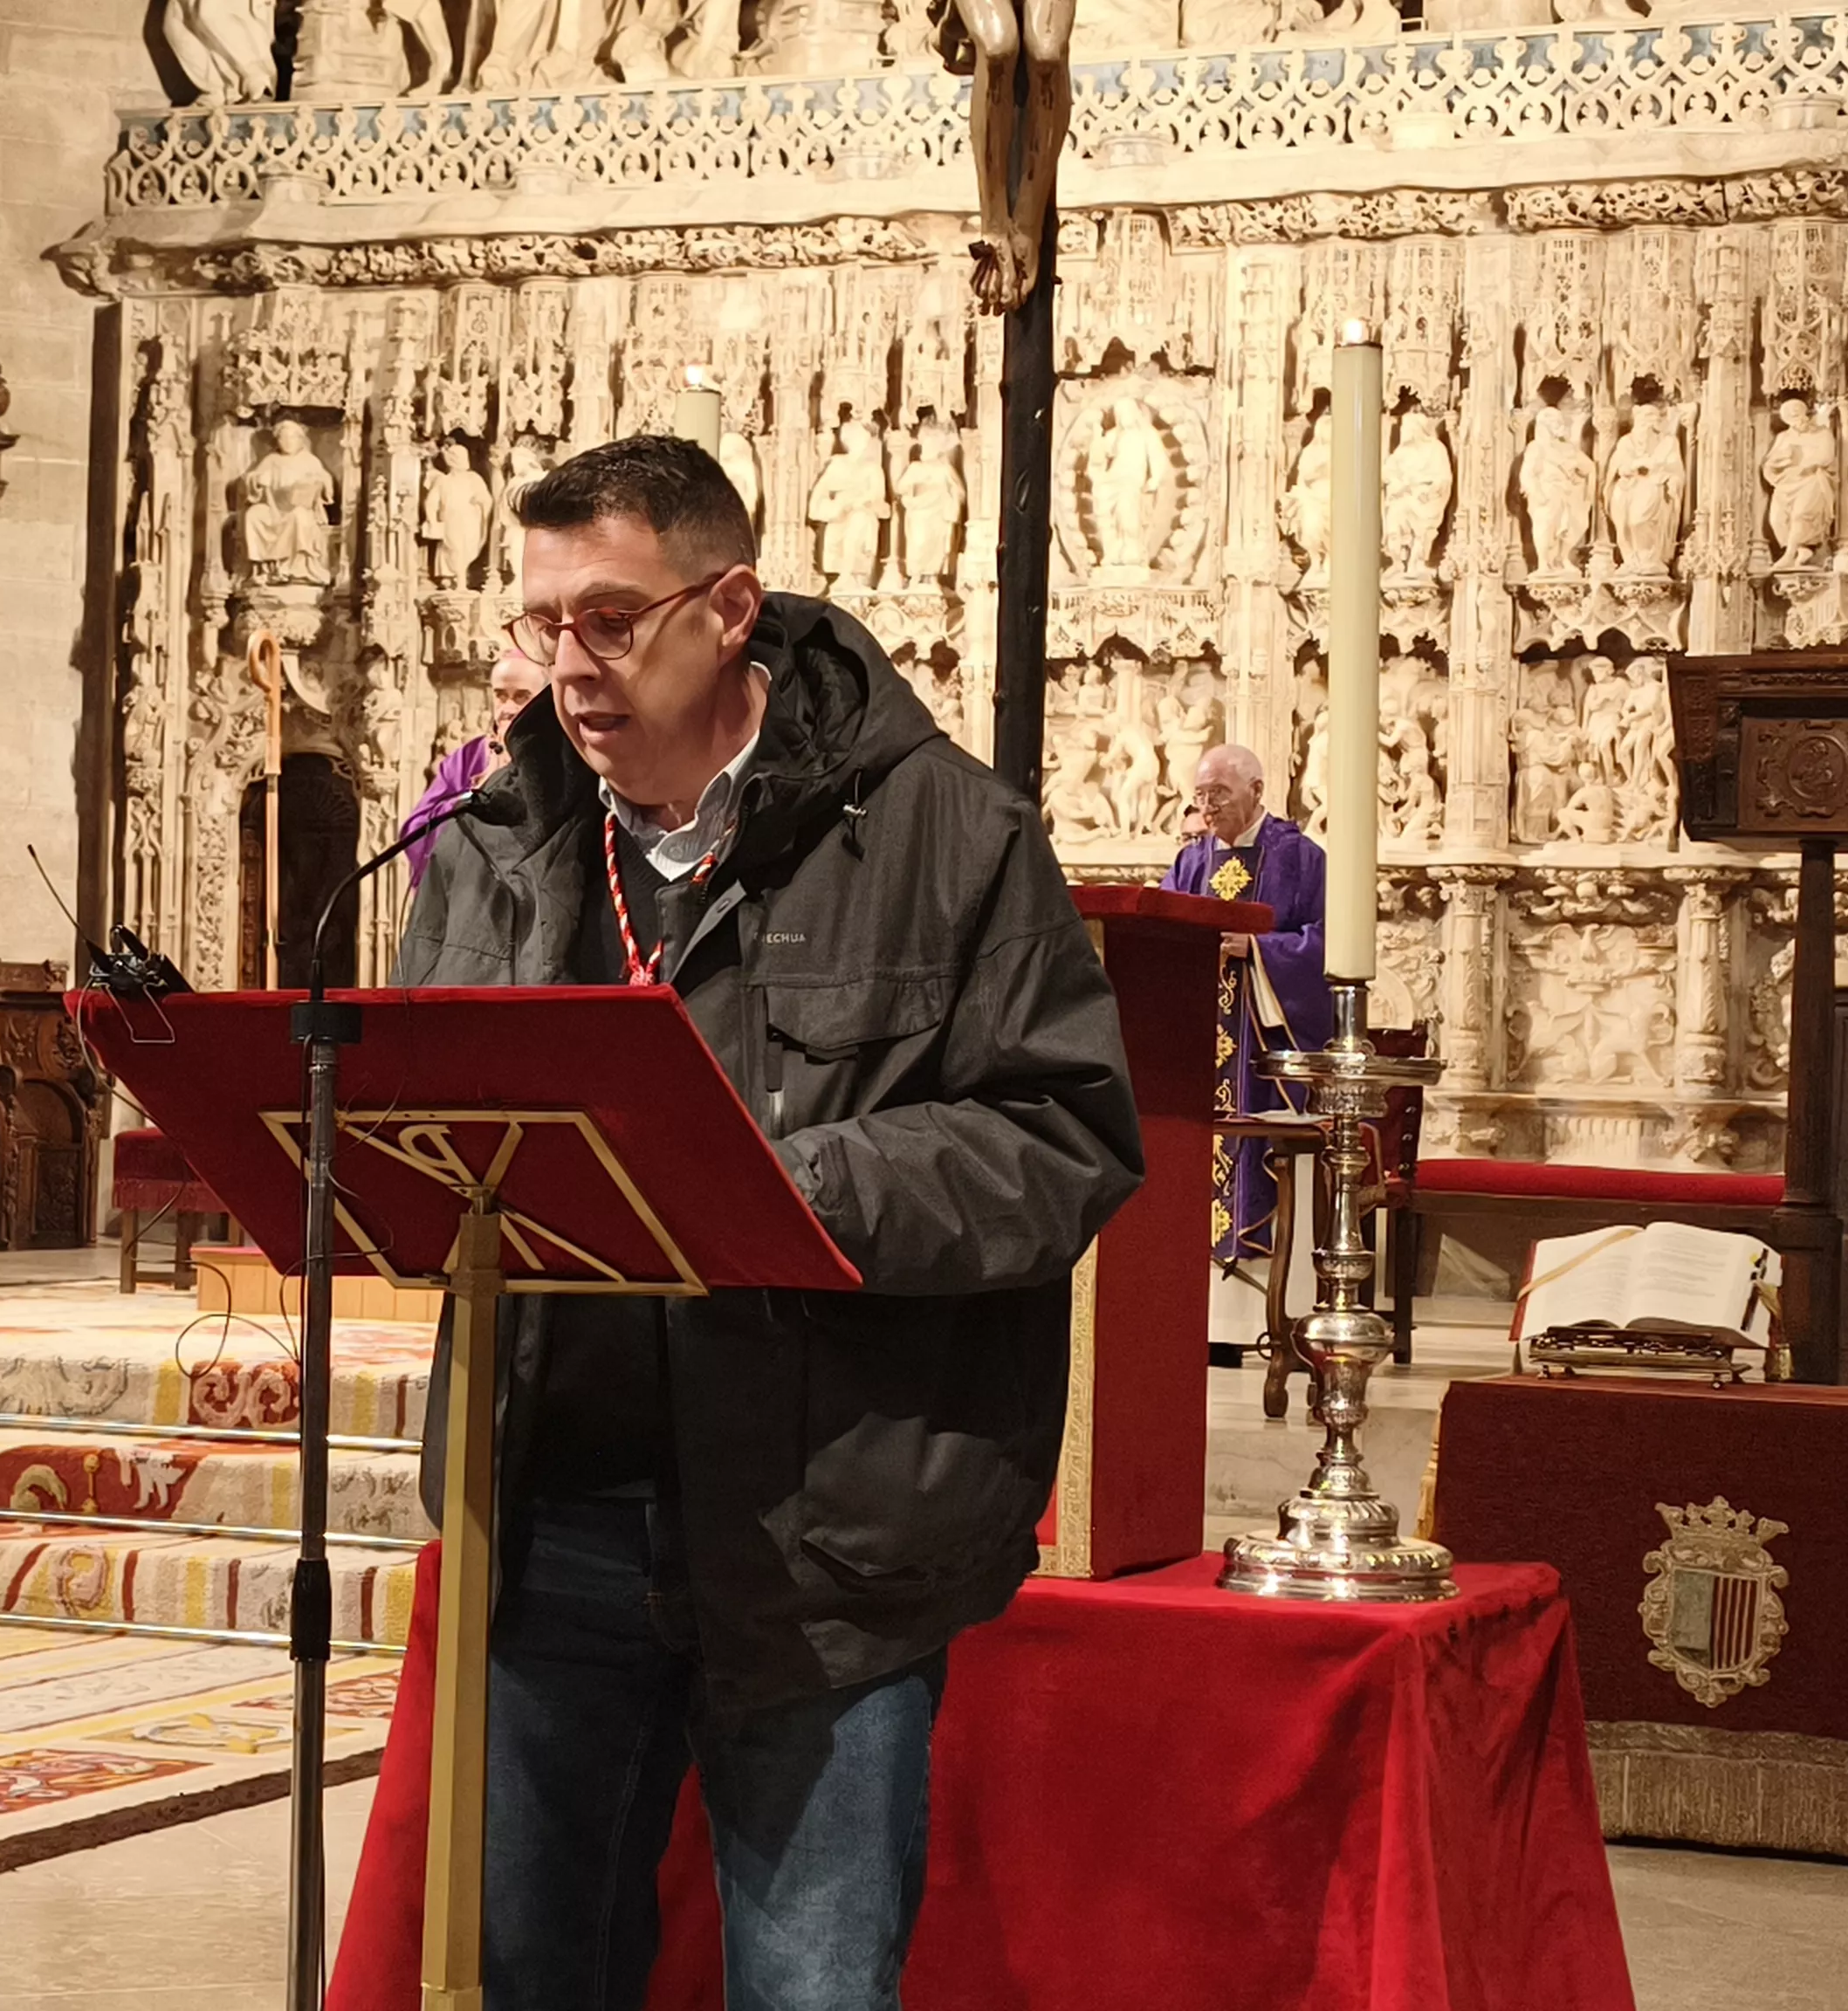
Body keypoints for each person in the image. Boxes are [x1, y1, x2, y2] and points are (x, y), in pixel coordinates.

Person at [403, 435, 1140, 2010]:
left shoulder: (945, 828)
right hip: (556, 1515)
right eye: (540, 622)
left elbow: (1062, 1138)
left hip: (825, 1525)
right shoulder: (495, 836)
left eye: (609, 618)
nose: (566, 664)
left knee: (811, 1983)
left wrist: (789, 1181)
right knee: (532, 1970)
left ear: (727, 605)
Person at [1162, 743, 1332, 1271]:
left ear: (1257, 791)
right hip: (1199, 1041)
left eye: (1220, 794)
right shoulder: (1192, 860)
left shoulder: (1301, 858)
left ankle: (1258, 1291)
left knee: (1254, 1148)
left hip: (1263, 1043)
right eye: (1201, 795)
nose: (1208, 807)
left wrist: (1257, 949)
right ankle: (1204, 1304)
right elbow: (1163, 935)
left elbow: (1329, 942)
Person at [402, 642, 549, 885]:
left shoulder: (563, 754)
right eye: (501, 696)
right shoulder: (468, 758)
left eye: (522, 697)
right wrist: (473, 796)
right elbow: (416, 831)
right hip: (472, 887)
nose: (508, 709)